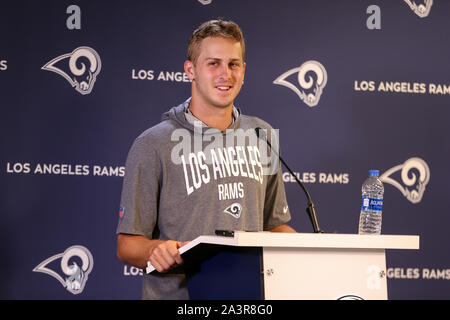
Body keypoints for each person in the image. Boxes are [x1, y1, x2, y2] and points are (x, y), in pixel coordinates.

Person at [116, 19, 295, 300]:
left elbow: (273, 226)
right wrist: (155, 251)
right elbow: (127, 244)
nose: (226, 74)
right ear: (191, 70)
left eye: (233, 64)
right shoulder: (152, 143)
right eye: (213, 63)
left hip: (249, 298)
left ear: (244, 70)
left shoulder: (263, 135)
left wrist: (315, 250)